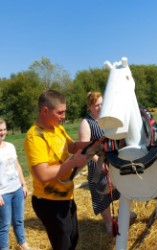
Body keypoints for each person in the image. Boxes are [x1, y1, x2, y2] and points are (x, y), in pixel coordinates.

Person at [24, 90, 89, 250]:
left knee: (73, 238)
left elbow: (72, 146)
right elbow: (43, 174)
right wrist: (73, 163)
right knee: (63, 245)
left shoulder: (57, 128)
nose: (63, 116)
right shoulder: (35, 137)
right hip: (49, 202)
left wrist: (94, 143)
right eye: (60, 112)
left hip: (65, 196)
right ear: (45, 110)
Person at [78, 91, 120, 233]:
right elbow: (85, 148)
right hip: (97, 163)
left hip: (113, 159)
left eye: (102, 104)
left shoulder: (107, 118)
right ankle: (108, 223)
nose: (100, 107)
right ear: (89, 106)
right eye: (96, 105)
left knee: (121, 186)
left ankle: (123, 215)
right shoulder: (86, 123)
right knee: (100, 192)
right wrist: (99, 162)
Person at [0, 119, 30, 250]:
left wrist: (23, 184)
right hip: (3, 193)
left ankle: (23, 244)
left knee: (19, 220)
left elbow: (17, 165)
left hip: (16, 188)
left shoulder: (10, 146)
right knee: (5, 225)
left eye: (4, 129)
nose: (2, 132)